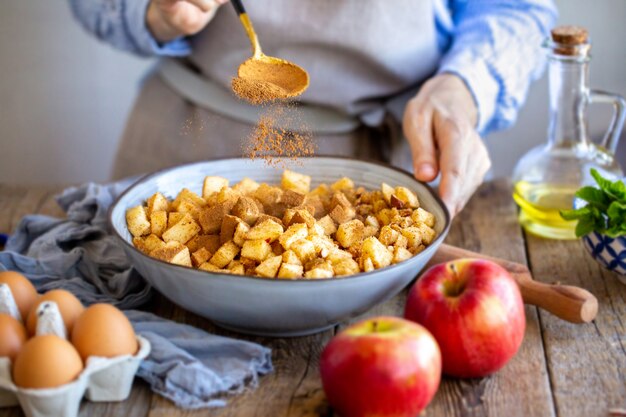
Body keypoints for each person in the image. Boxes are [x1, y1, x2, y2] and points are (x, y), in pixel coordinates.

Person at [69, 0, 557, 216]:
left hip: (395, 155)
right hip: (186, 140)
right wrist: (153, 10)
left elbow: (516, 8)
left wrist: (463, 87)